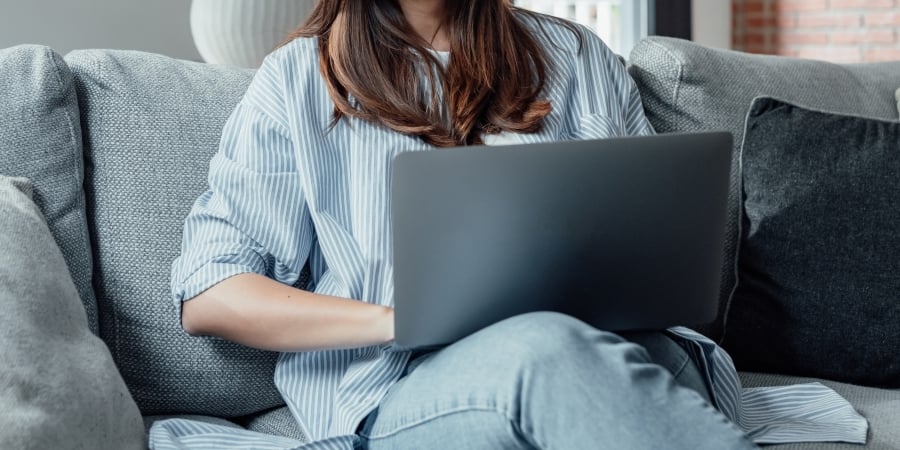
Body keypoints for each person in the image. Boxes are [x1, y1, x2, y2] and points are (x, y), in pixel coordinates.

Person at [149, 1, 863, 449]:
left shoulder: (576, 57)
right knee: (545, 349)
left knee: (620, 355)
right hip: (408, 384)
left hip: (625, 344)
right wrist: (401, 319)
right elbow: (212, 293)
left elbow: (652, 229)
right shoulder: (296, 82)